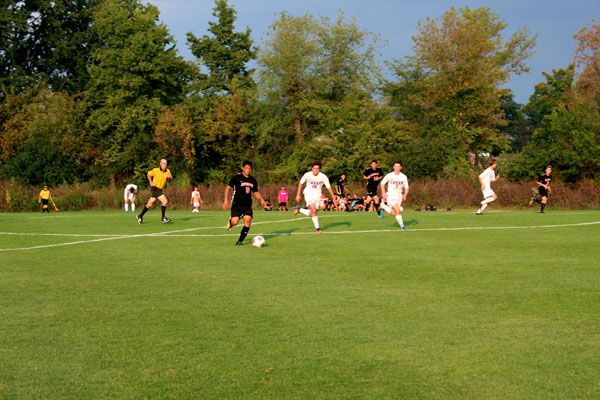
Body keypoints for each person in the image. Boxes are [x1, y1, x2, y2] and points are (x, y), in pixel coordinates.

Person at [222, 160, 268, 246]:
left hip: (247, 205)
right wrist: (226, 200)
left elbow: (255, 192)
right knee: (235, 222)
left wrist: (261, 200)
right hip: (237, 204)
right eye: (246, 168)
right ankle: (231, 222)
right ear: (242, 168)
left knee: (248, 220)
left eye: (249, 168)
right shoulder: (236, 177)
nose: (248, 170)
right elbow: (228, 188)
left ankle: (240, 241)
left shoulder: (253, 180)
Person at [293, 161, 338, 233]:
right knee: (313, 209)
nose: (315, 170)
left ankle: (299, 209)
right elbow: (301, 183)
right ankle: (318, 229)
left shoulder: (323, 177)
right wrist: (298, 194)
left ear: (319, 169)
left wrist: (333, 197)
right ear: (312, 168)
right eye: (314, 168)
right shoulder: (307, 175)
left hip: (317, 195)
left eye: (317, 169)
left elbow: (328, 187)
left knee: (313, 213)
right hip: (308, 193)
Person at [137, 159, 172, 224]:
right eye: (163, 163)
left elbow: (169, 181)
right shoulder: (156, 170)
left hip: (160, 189)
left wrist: (169, 178)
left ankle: (140, 216)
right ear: (160, 164)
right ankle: (163, 218)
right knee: (165, 201)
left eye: (166, 163)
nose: (165, 165)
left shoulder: (168, 171)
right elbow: (148, 174)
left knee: (149, 204)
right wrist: (150, 182)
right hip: (155, 188)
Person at [379, 161, 409, 230]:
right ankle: (402, 226)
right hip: (391, 195)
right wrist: (383, 193)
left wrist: (405, 195)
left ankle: (384, 206)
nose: (397, 168)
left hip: (399, 195)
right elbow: (382, 184)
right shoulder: (389, 175)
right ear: (393, 167)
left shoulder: (403, 177)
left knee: (394, 213)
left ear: (401, 168)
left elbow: (407, 187)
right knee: (397, 209)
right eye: (395, 166)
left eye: (398, 166)